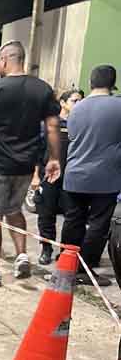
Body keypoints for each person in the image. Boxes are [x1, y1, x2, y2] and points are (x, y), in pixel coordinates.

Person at [0, 40, 61, 287]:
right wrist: (54, 159)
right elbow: (52, 127)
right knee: (14, 210)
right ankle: (21, 255)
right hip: (25, 167)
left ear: (4, 60)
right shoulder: (42, 89)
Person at [61, 65, 121, 286]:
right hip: (105, 178)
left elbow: (74, 137)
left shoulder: (76, 108)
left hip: (75, 174)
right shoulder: (118, 106)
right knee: (98, 224)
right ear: (112, 83)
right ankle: (85, 269)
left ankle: (66, 266)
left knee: (73, 220)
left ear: (91, 81)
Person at [32, 89, 82, 265]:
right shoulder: (49, 125)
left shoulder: (81, 125)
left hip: (72, 178)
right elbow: (37, 152)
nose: (78, 104)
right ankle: (46, 249)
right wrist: (35, 176)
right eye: (75, 101)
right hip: (50, 176)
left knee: (73, 217)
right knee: (46, 214)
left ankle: (65, 253)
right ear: (63, 103)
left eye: (80, 101)